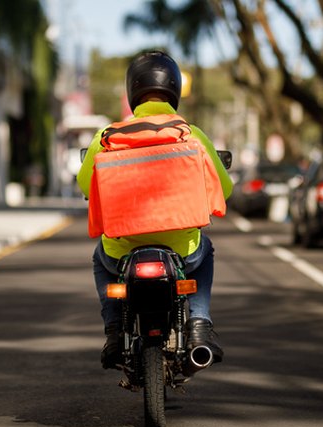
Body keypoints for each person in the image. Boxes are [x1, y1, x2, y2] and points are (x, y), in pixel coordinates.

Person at [76, 51, 233, 369]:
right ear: (174, 89)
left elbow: (84, 185)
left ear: (132, 90)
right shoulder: (192, 134)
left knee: (98, 258)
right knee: (206, 252)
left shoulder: (106, 137)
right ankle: (200, 325)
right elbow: (225, 189)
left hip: (121, 254)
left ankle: (114, 329)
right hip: (181, 252)